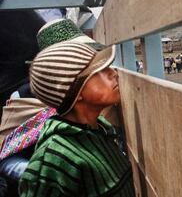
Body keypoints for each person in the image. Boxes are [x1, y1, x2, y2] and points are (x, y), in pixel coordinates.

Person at [19, 42, 135, 196]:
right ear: (75, 91)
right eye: (99, 70)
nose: (113, 72)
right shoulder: (53, 161)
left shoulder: (101, 131)